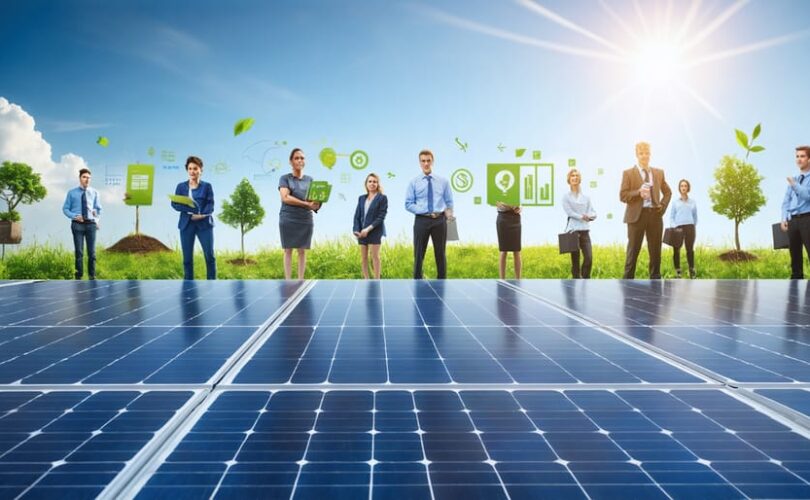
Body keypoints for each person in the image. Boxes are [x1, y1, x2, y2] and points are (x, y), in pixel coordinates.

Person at [620, 142, 671, 279]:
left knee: (655, 253)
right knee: (633, 252)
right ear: (637, 155)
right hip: (636, 217)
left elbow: (668, 192)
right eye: (641, 153)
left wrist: (663, 205)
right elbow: (623, 195)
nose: (644, 156)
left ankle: (655, 286)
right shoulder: (628, 173)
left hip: (655, 215)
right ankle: (627, 284)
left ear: (650, 154)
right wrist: (638, 193)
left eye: (647, 153)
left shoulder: (658, 173)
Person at [405, 149, 454, 279]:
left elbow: (449, 202)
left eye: (428, 160)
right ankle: (417, 281)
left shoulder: (443, 181)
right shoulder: (413, 182)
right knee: (419, 253)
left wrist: (449, 216)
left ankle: (442, 281)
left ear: (433, 161)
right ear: (419, 163)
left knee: (440, 253)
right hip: (422, 220)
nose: (426, 163)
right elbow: (408, 204)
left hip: (440, 221)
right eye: (423, 161)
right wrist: (425, 210)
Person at [171, 156, 216, 280]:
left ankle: (212, 283)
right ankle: (188, 285)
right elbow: (175, 204)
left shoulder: (207, 186)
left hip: (204, 224)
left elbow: (210, 204)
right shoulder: (181, 187)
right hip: (186, 224)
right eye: (190, 169)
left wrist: (200, 214)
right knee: (187, 259)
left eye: (195, 168)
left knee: (209, 256)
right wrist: (189, 210)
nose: (192, 171)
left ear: (201, 170)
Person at [279, 148, 320, 280]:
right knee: (288, 249)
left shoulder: (310, 180)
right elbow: (285, 197)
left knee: (302, 250)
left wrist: (317, 203)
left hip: (305, 219)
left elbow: (314, 202)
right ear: (291, 162)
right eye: (296, 158)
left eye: (302, 158)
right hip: (288, 218)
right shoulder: (285, 178)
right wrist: (306, 204)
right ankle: (288, 281)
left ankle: (300, 280)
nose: (300, 160)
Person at [62, 168, 102, 280]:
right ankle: (78, 277)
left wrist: (96, 218)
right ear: (80, 178)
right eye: (84, 177)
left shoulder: (95, 193)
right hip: (77, 225)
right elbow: (65, 209)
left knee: (92, 253)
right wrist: (74, 216)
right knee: (79, 252)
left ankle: (92, 276)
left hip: (91, 225)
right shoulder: (71, 193)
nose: (87, 179)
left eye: (89, 178)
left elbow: (99, 209)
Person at [780, 145, 810, 279]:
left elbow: (807, 196)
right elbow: (786, 201)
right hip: (793, 221)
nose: (799, 159)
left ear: (809, 159)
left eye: (802, 156)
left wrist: (794, 184)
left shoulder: (794, 181)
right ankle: (796, 282)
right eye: (797, 156)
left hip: (807, 219)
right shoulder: (794, 178)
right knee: (795, 255)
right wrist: (784, 218)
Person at [562, 168, 596, 279]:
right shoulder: (566, 197)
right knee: (575, 262)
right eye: (572, 176)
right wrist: (582, 216)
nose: (575, 177)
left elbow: (593, 212)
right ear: (569, 179)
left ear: (579, 179)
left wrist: (590, 216)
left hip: (585, 231)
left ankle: (585, 280)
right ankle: (575, 281)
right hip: (573, 232)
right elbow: (570, 212)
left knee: (589, 258)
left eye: (576, 175)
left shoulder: (586, 197)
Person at [353, 173, 388, 279]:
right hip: (361, 232)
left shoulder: (382, 198)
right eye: (370, 181)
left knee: (375, 257)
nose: (372, 184)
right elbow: (357, 216)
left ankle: (377, 280)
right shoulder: (361, 198)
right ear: (366, 183)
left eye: (375, 181)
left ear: (378, 184)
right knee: (363, 258)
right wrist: (356, 230)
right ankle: (367, 280)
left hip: (375, 230)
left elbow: (381, 217)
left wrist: (368, 229)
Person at [669, 179, 698, 279]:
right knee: (676, 250)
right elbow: (672, 216)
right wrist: (674, 227)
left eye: (685, 186)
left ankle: (692, 270)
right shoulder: (675, 202)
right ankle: (678, 271)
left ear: (688, 188)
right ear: (679, 188)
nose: (683, 187)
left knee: (690, 249)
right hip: (678, 228)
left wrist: (693, 225)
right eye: (681, 186)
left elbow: (695, 216)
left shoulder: (692, 202)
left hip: (690, 227)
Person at [495, 200, 521, 279]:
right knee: (503, 251)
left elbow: (520, 203)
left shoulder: (516, 190)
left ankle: (518, 279)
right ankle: (502, 279)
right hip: (503, 218)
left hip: (516, 218)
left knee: (517, 251)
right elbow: (498, 204)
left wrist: (520, 208)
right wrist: (510, 206)